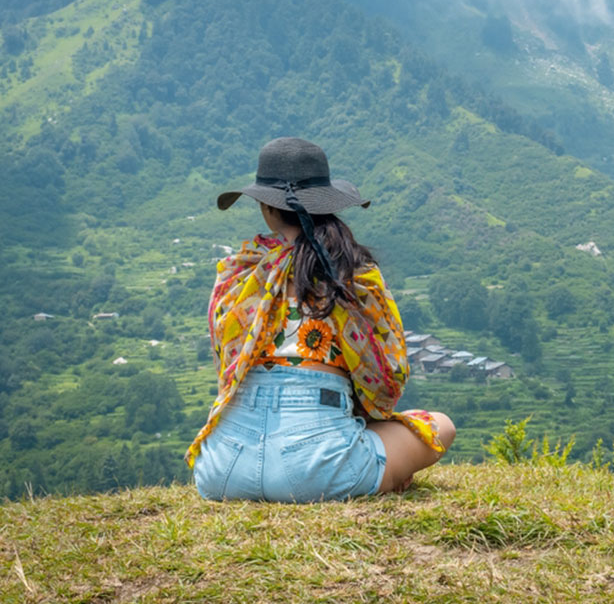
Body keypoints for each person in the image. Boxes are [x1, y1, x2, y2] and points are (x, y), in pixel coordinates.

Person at [186, 137, 454, 501]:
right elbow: (386, 379)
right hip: (316, 468)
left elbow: (226, 368)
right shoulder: (355, 277)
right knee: (441, 426)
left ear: (266, 207)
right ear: (327, 205)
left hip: (221, 470)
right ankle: (379, 472)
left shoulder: (238, 276)